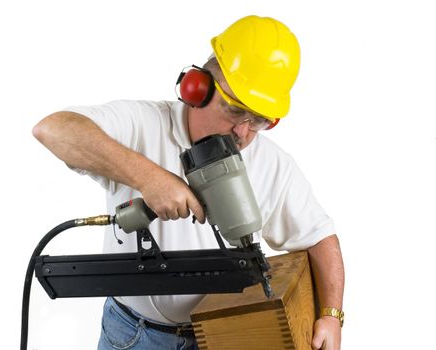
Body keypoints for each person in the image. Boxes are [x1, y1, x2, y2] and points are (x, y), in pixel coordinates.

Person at [33, 15, 344, 350]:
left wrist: (331, 315)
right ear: (197, 87)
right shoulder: (143, 125)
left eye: (258, 120)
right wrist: (150, 177)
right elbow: (53, 129)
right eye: (235, 111)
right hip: (130, 334)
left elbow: (319, 238)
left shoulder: (273, 164)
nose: (242, 132)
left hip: (225, 336)